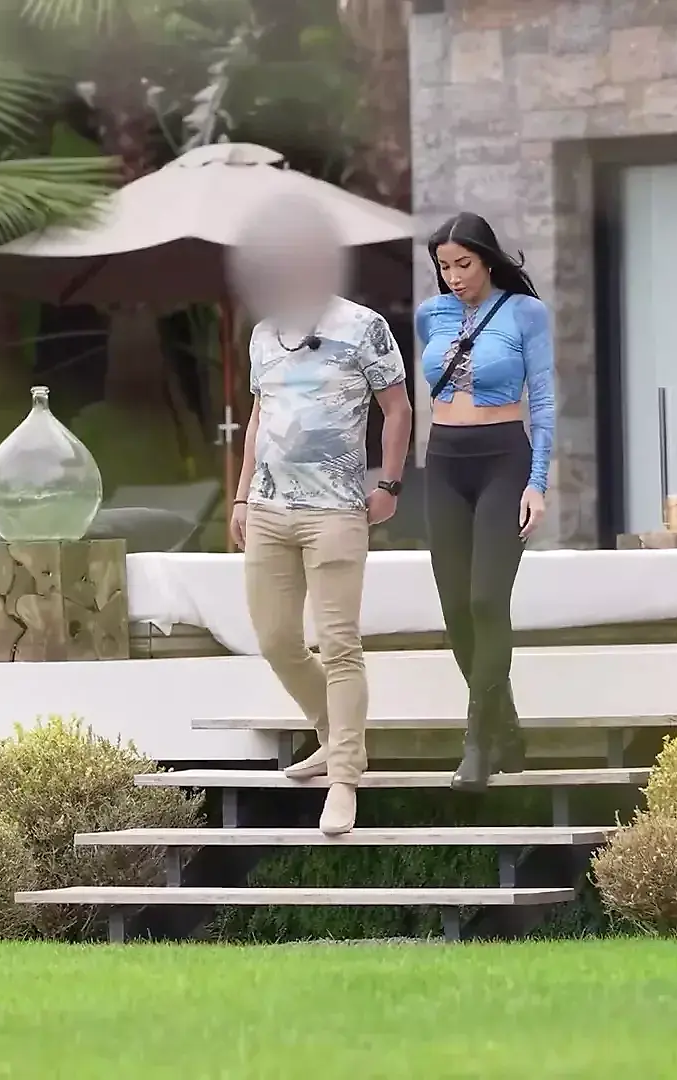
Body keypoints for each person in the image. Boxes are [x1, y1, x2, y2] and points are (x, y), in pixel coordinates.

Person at [227, 197, 413, 835]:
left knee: (338, 644)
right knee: (276, 641)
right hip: (269, 510)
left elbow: (398, 409)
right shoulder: (263, 334)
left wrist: (389, 483)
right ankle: (333, 735)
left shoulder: (364, 327)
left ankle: (344, 779)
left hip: (334, 510)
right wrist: (242, 495)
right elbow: (259, 417)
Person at [414, 212, 555, 792]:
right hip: (445, 460)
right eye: (444, 266)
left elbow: (542, 400)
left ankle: (477, 742)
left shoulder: (525, 313)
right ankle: (507, 725)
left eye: (464, 264)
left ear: (487, 259)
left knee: (486, 600)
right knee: (455, 609)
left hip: (504, 458)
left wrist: (537, 482)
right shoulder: (430, 315)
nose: (454, 276)